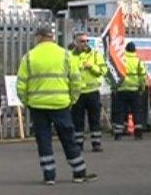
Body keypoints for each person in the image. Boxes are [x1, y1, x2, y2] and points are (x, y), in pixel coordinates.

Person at [17, 27, 97, 185]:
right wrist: (71, 100)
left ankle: (49, 175)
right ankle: (79, 172)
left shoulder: (29, 57)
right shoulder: (65, 55)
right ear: (52, 37)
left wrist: (27, 101)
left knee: (43, 139)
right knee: (68, 138)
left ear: (39, 38)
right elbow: (76, 81)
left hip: (38, 105)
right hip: (61, 104)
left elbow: (21, 85)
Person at [70, 32, 107, 152]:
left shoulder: (95, 54)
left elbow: (103, 70)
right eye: (81, 41)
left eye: (86, 41)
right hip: (78, 93)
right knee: (77, 120)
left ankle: (96, 143)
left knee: (94, 119)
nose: (85, 43)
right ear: (75, 42)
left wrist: (92, 66)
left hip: (92, 92)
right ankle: (78, 144)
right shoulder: (70, 56)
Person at [112, 42, 147, 141]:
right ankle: (138, 133)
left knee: (120, 112)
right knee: (137, 111)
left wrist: (115, 87)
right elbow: (142, 76)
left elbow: (115, 74)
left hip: (121, 89)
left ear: (126, 50)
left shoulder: (121, 60)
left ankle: (118, 134)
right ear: (134, 50)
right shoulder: (138, 61)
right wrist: (142, 87)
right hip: (134, 89)